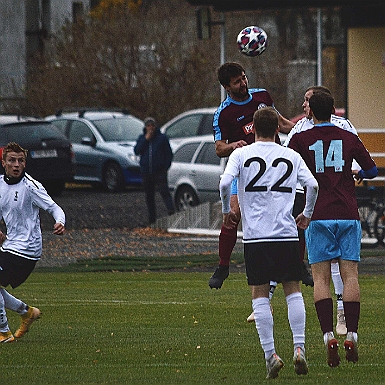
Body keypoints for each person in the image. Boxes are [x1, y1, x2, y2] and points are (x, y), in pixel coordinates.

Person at [220, 107, 319, 379]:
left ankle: (270, 355)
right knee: (293, 290)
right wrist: (306, 214)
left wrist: (226, 212)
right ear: (278, 128)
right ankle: (299, 348)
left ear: (252, 127)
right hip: (286, 233)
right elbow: (313, 186)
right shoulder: (291, 155)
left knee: (259, 294)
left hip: (256, 237)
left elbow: (225, 181)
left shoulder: (240, 154)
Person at [288, 91, 378, 367]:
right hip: (348, 214)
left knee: (321, 279)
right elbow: (372, 170)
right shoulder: (348, 137)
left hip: (318, 215)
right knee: (350, 276)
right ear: (335, 112)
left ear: (310, 112)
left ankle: (328, 335)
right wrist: (358, 174)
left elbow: (289, 169)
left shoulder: (301, 139)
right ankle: (352, 333)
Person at [208, 62, 313, 290]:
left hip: (274, 166)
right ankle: (223, 266)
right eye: (237, 81)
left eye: (244, 78)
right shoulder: (223, 113)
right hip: (245, 168)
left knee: (294, 211)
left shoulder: (262, 96)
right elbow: (219, 148)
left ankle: (299, 263)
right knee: (234, 213)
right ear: (227, 86)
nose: (243, 83)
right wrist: (233, 146)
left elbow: (283, 123)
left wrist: (308, 130)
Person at [284, 85, 359, 336]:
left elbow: (358, 160)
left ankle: (335, 321)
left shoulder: (343, 127)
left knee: (322, 273)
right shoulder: (299, 129)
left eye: (308, 101)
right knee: (346, 270)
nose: (304, 105)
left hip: (320, 207)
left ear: (317, 106)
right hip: (325, 202)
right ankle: (349, 328)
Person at [0, 142, 66, 343]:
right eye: (12, 160)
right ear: (3, 163)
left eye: (20, 160)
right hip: (11, 245)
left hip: (27, 249)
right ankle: (26, 312)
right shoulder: (0, 185)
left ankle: (4, 333)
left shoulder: (31, 187)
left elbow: (55, 208)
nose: (16, 164)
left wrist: (60, 222)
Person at [134, 117, 175, 224]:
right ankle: (152, 219)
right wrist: (146, 139)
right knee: (149, 196)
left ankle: (171, 212)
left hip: (159, 171)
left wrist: (165, 167)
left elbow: (169, 154)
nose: (150, 128)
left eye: (152, 125)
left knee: (164, 192)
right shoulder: (142, 138)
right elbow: (137, 150)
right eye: (148, 125)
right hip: (146, 172)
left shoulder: (162, 138)